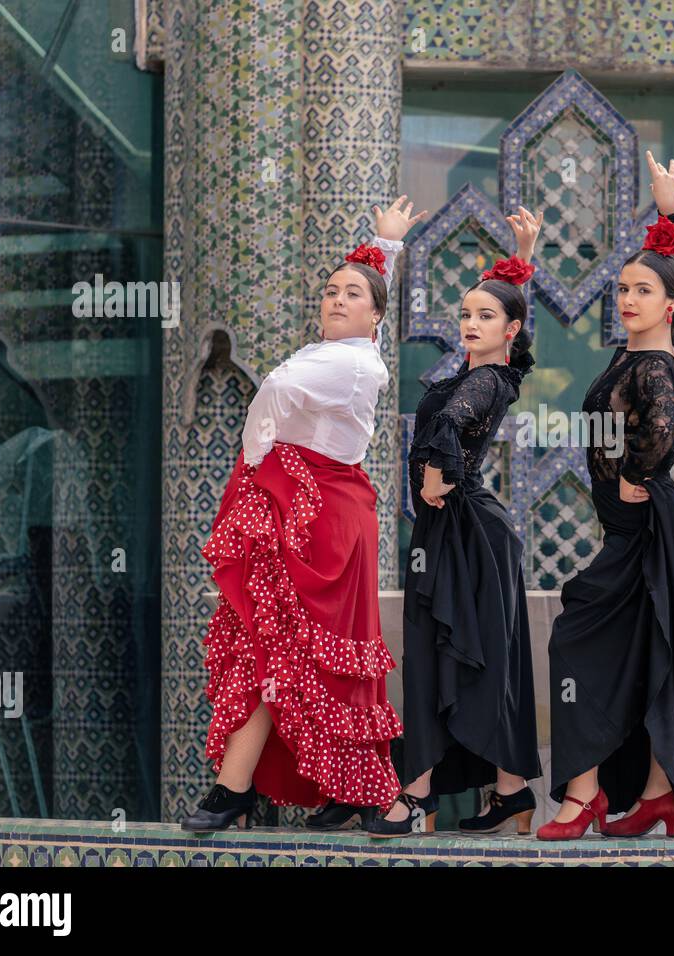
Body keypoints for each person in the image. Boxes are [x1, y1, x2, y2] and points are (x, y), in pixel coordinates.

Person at [181, 197, 427, 832]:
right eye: (329, 291)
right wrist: (385, 250)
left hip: (322, 518)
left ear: (374, 317)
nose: (336, 299)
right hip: (301, 506)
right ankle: (249, 787)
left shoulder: (351, 363)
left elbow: (275, 395)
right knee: (277, 649)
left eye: (351, 294)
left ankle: (379, 796)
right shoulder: (340, 354)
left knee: (311, 656)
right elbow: (364, 307)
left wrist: (260, 457)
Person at [538, 153, 674, 840]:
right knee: (647, 653)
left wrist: (640, 472)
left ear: (671, 307)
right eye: (622, 290)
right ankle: (656, 794)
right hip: (633, 525)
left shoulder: (656, 365)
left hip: (647, 527)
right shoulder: (629, 356)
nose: (628, 299)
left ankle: (582, 797)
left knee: (574, 637)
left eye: (643, 291)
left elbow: (666, 428)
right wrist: (665, 217)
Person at [361, 207, 545, 838]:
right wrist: (523, 257)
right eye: (466, 314)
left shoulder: (491, 378)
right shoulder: (480, 372)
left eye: (486, 316)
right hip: (456, 530)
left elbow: (447, 427)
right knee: (455, 657)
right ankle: (510, 791)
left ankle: (413, 795)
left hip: (466, 530)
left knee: (446, 657)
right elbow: (448, 418)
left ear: (511, 330)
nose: (470, 324)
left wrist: (436, 476)